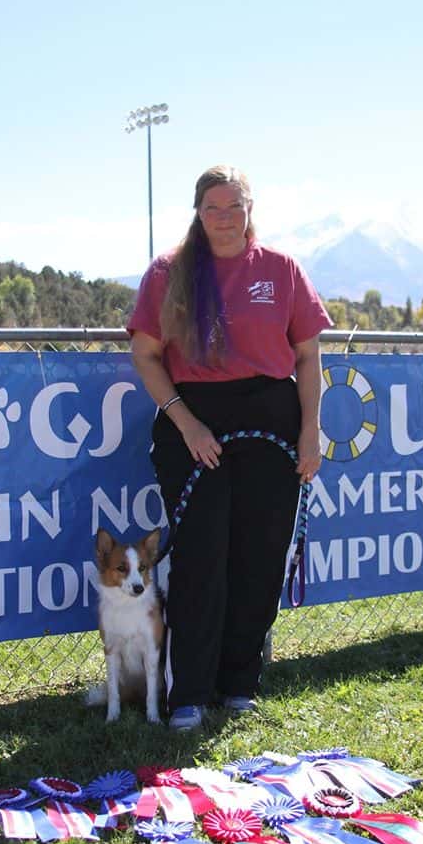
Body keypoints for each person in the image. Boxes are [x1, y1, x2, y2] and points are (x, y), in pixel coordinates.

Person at [128, 164, 332, 730]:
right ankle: (188, 692)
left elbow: (309, 357)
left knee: (260, 556)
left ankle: (239, 682)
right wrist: (186, 424)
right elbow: (146, 355)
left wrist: (310, 428)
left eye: (234, 206)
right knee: (200, 558)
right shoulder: (169, 273)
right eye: (213, 208)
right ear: (197, 211)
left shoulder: (282, 269)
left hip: (271, 418)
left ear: (250, 209)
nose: (224, 218)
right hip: (193, 423)